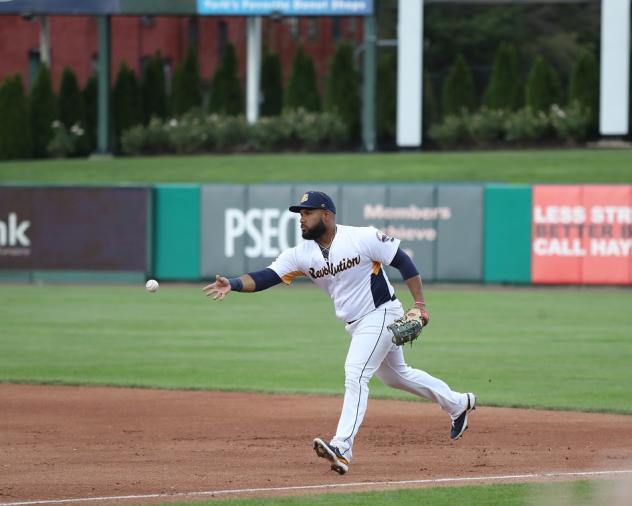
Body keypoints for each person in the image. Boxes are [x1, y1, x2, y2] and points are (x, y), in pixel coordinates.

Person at [203, 191, 476, 475]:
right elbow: (265, 277)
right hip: (356, 325)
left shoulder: (362, 237)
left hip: (382, 313)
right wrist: (232, 283)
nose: (302, 219)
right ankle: (459, 403)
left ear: (327, 215)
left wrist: (419, 305)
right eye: (300, 214)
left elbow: (403, 262)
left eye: (307, 213)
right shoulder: (301, 254)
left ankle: (342, 447)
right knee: (397, 376)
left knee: (355, 373)